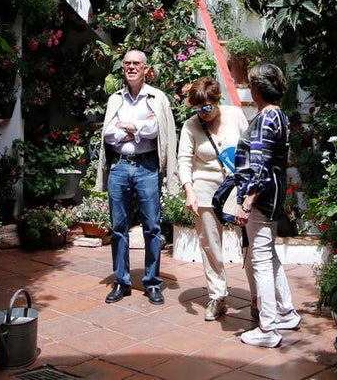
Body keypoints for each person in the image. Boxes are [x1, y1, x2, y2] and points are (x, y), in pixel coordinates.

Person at [94, 48, 179, 304]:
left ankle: (152, 282)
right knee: (118, 228)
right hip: (119, 166)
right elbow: (108, 134)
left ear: (145, 69)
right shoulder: (114, 100)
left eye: (136, 64)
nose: (131, 67)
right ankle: (122, 282)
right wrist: (139, 128)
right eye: (127, 63)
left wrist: (127, 127)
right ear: (124, 68)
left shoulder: (157, 97)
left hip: (147, 167)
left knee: (152, 228)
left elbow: (157, 131)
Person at [233, 63, 301, 347]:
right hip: (276, 190)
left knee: (260, 259)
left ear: (258, 88)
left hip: (262, 195)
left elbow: (259, 166)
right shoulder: (280, 115)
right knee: (268, 253)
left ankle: (268, 328)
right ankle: (286, 312)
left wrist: (247, 203)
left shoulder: (265, 117)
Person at [176, 76, 251, 321]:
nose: (203, 113)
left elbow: (251, 149)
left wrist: (251, 188)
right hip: (205, 190)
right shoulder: (190, 126)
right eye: (197, 109)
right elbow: (184, 160)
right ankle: (217, 295)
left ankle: (259, 296)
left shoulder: (235, 115)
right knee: (210, 244)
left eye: (207, 107)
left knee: (249, 241)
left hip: (236, 190)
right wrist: (188, 190)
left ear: (217, 101)